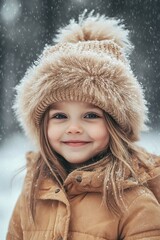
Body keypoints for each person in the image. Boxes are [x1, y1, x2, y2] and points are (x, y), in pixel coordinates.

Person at [7, 11, 160, 240]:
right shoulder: (34, 191)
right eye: (60, 116)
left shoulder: (133, 201)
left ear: (116, 125)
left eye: (90, 115)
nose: (74, 128)